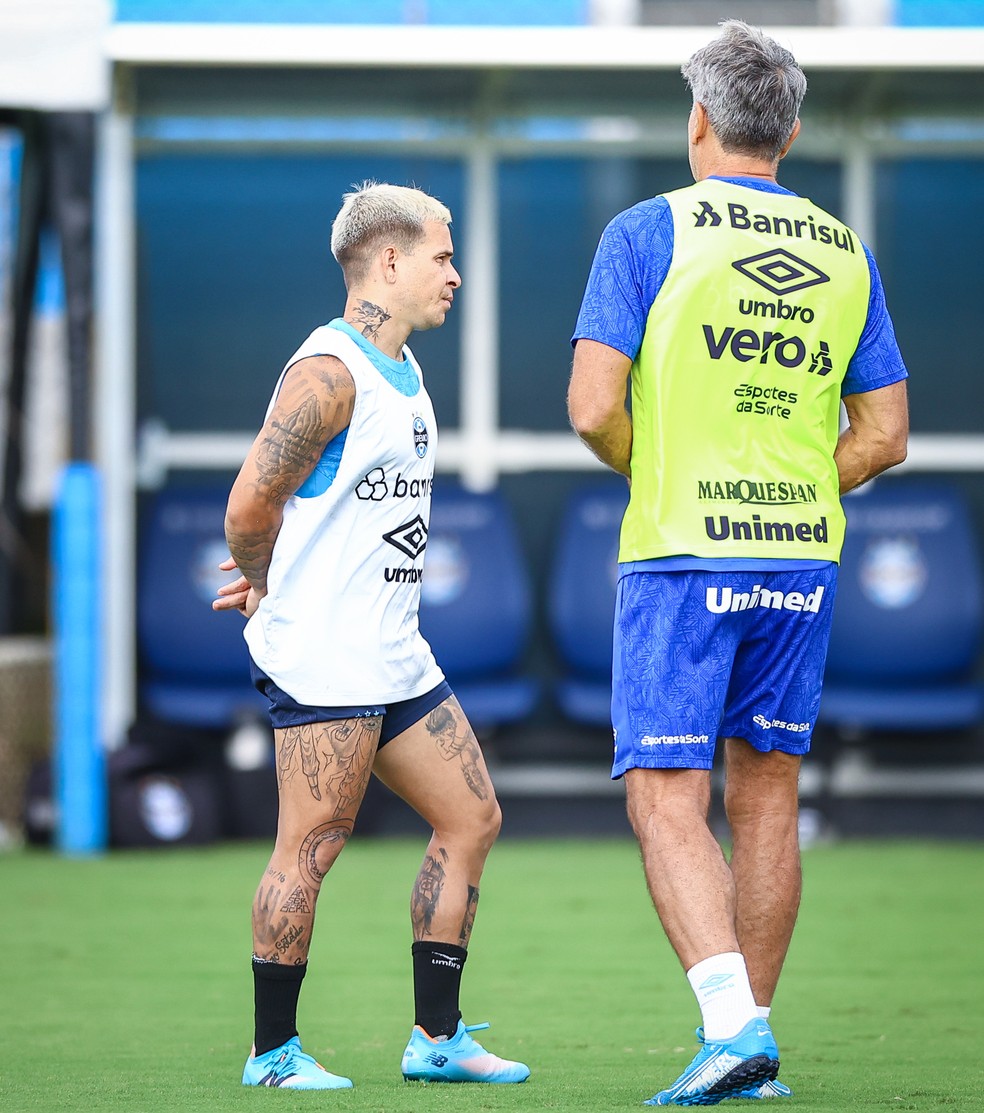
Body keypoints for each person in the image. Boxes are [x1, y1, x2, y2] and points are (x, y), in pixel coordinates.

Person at [568, 21, 908, 1107]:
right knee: (766, 801)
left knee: (666, 798)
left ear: (699, 120)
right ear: (792, 132)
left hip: (679, 554)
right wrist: (805, 482)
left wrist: (655, 471)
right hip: (802, 557)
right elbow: (888, 433)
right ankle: (747, 1051)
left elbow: (590, 411)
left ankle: (731, 1031)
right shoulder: (846, 249)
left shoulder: (645, 231)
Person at [212, 182, 530, 1091]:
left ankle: (437, 1037)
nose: (455, 275)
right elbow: (247, 504)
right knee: (312, 843)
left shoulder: (402, 367)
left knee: (472, 817)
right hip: (325, 654)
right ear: (388, 261)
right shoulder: (328, 372)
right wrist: (268, 578)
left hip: (394, 651)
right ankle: (272, 1054)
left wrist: (282, 559)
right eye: (442, 255)